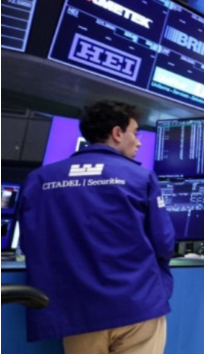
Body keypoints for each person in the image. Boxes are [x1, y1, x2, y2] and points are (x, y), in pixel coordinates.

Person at [19, 101, 176, 354]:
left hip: (76, 313)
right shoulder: (141, 178)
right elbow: (164, 243)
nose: (138, 143)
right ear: (117, 133)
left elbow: (29, 244)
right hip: (136, 305)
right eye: (135, 133)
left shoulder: (38, 180)